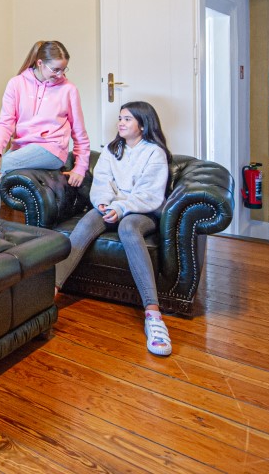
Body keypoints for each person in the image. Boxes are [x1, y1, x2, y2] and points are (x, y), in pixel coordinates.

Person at [54, 101, 173, 356]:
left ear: (143, 124)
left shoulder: (155, 153)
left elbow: (150, 195)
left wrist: (121, 208)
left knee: (128, 228)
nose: (121, 123)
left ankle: (153, 316)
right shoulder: (112, 150)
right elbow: (101, 183)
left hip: (142, 212)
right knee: (88, 221)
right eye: (120, 118)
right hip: (111, 206)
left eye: (127, 119)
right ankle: (50, 291)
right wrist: (103, 203)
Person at [0, 40, 91, 217]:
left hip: (52, 149)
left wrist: (80, 168)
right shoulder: (16, 84)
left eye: (63, 69)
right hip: (21, 149)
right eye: (55, 69)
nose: (60, 74)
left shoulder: (69, 90)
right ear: (40, 63)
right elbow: (5, 122)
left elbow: (79, 132)